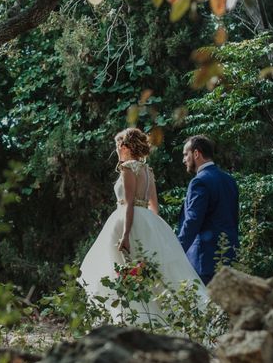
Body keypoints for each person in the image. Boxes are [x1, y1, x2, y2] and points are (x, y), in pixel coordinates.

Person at [79, 128, 207, 324]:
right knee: (148, 275)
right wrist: (153, 232)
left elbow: (129, 203)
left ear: (124, 147)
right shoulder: (148, 171)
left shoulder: (128, 168)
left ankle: (132, 320)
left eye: (117, 147)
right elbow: (154, 206)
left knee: (123, 272)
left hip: (127, 221)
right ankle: (160, 318)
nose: (117, 151)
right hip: (147, 221)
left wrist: (126, 234)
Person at [178, 135, 239, 285]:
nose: (184, 159)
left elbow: (192, 221)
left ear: (196, 153)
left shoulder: (199, 182)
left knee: (205, 307)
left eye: (186, 154)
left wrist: (177, 249)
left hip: (204, 260)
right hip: (230, 256)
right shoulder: (229, 180)